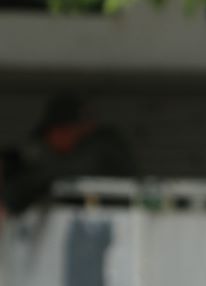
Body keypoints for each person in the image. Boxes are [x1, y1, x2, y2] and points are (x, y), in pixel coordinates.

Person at [0, 93, 135, 219]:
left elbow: (58, 173)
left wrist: (14, 193)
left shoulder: (102, 146)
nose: (50, 142)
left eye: (55, 133)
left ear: (69, 129)